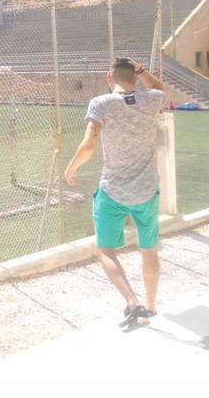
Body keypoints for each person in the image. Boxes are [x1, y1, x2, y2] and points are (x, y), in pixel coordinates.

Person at [64, 56, 166, 328]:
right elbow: (160, 87)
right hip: (146, 190)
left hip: (113, 190)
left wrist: (72, 166)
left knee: (106, 250)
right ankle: (151, 307)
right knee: (149, 249)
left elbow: (90, 142)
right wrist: (142, 70)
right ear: (134, 78)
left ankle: (131, 302)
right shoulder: (151, 99)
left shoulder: (101, 103)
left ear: (109, 78)